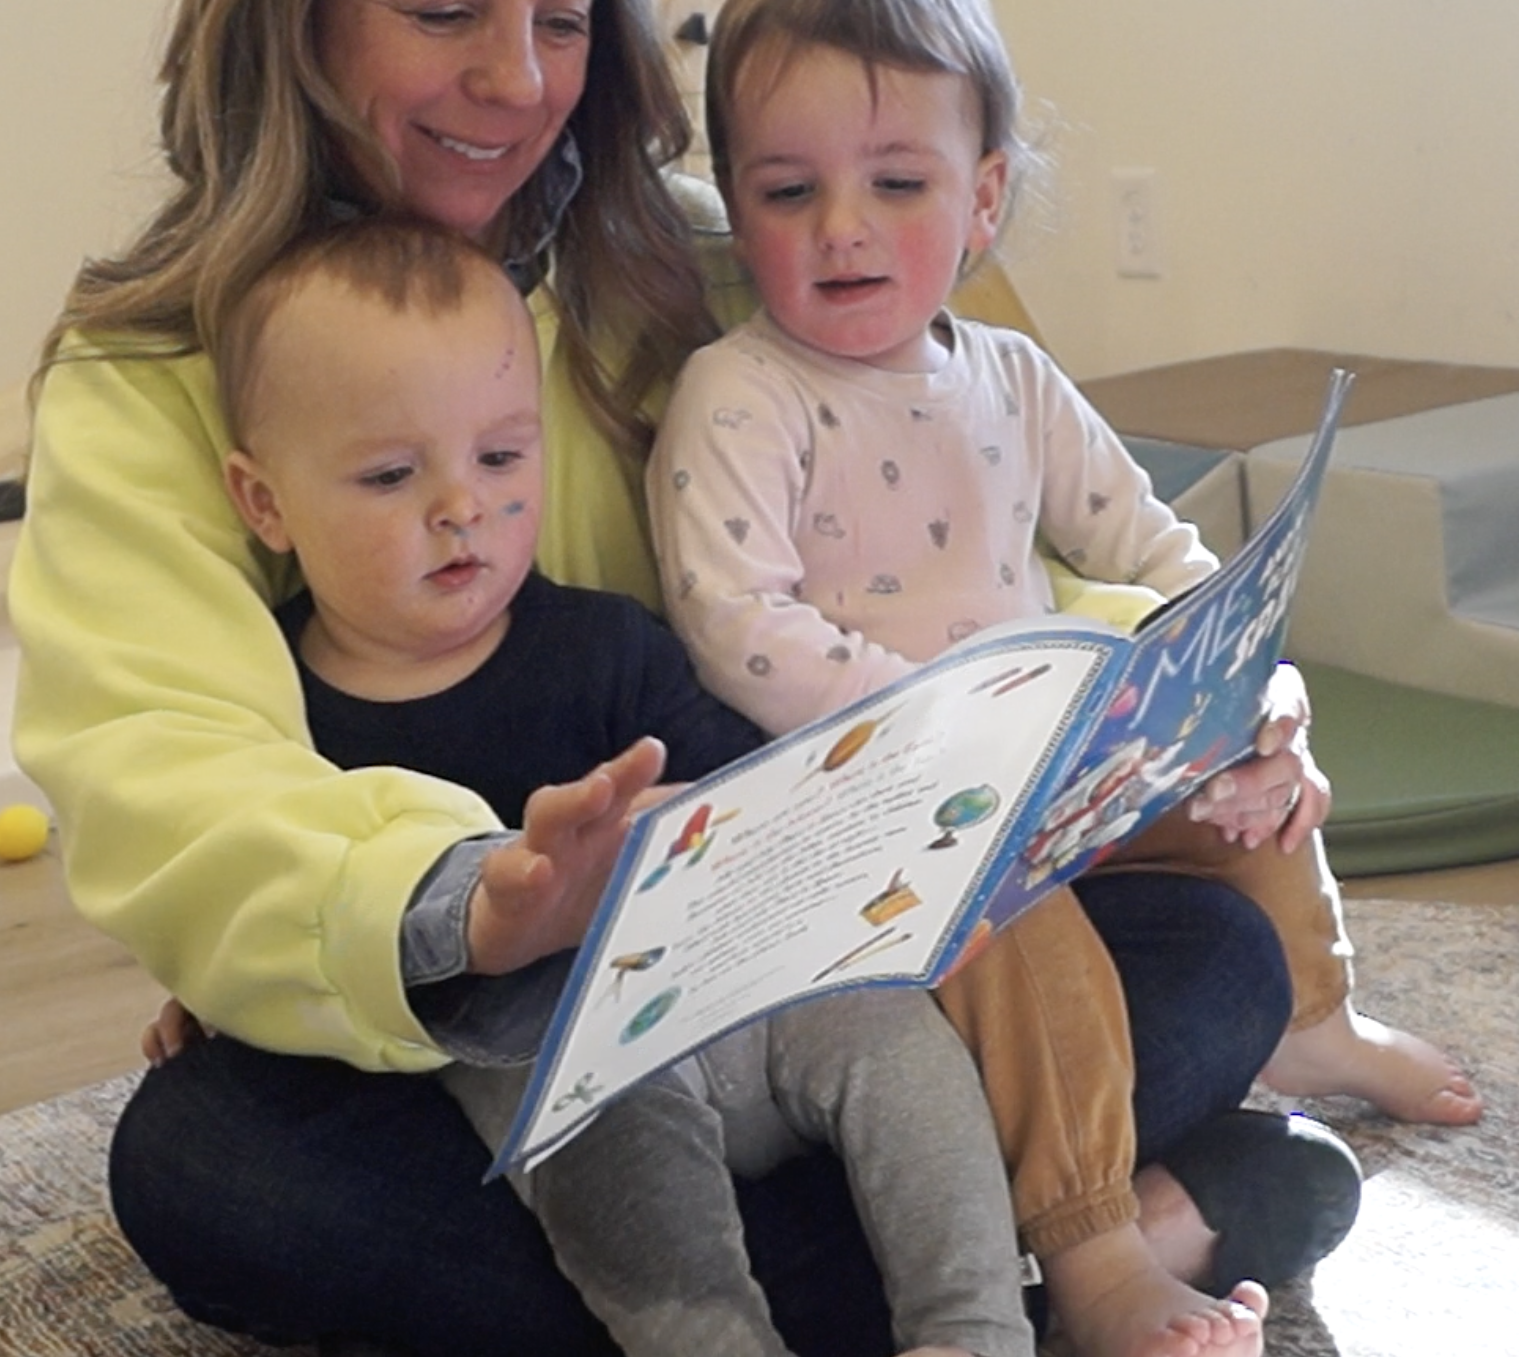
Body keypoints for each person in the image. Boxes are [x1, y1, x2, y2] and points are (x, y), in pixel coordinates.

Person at [10, 0, 1331, 1357]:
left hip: (808, 982)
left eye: (564, 15)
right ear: (294, 8)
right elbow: (172, 783)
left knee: (1214, 949)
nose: (515, 80)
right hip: (487, 1030)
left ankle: (963, 1243)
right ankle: (1129, 1216)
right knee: (204, 1165)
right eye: (444, 8)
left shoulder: (713, 255)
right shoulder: (150, 376)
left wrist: (1202, 712)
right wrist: (438, 907)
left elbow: (979, 517)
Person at [646, 0, 1471, 1357]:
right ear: (737, 203)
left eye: (895, 183)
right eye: (789, 191)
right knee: (1002, 903)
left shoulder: (1010, 378)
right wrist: (947, 726)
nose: (841, 225)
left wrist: (1240, 692)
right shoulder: (737, 391)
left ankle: (1316, 1017)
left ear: (980, 200)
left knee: (1244, 779)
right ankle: (1088, 1240)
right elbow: (737, 625)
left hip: (1050, 775)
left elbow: (1157, 552)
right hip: (894, 821)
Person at [202, 215, 1036, 1357]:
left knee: (891, 1022)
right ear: (263, 503)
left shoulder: (603, 644)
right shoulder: (276, 707)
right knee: (581, 1127)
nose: (460, 506)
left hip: (737, 1007)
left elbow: (763, 796)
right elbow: (266, 893)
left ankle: (973, 1327)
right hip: (558, 1073)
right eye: (392, 474)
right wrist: (218, 991)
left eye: (500, 457)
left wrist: (703, 821)